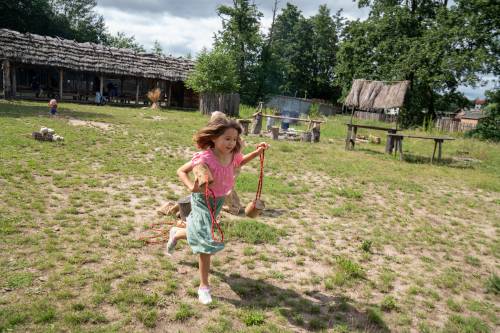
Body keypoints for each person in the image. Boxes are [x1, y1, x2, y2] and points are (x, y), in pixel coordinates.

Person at [169, 118, 269, 304]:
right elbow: (181, 171)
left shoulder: (233, 155)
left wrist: (257, 152)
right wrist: (191, 186)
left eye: (234, 139)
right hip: (202, 201)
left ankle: (176, 233)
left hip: (219, 201)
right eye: (227, 139)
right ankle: (204, 287)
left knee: (198, 233)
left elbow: (240, 162)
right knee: (206, 241)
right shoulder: (204, 158)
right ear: (214, 138)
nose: (231, 143)